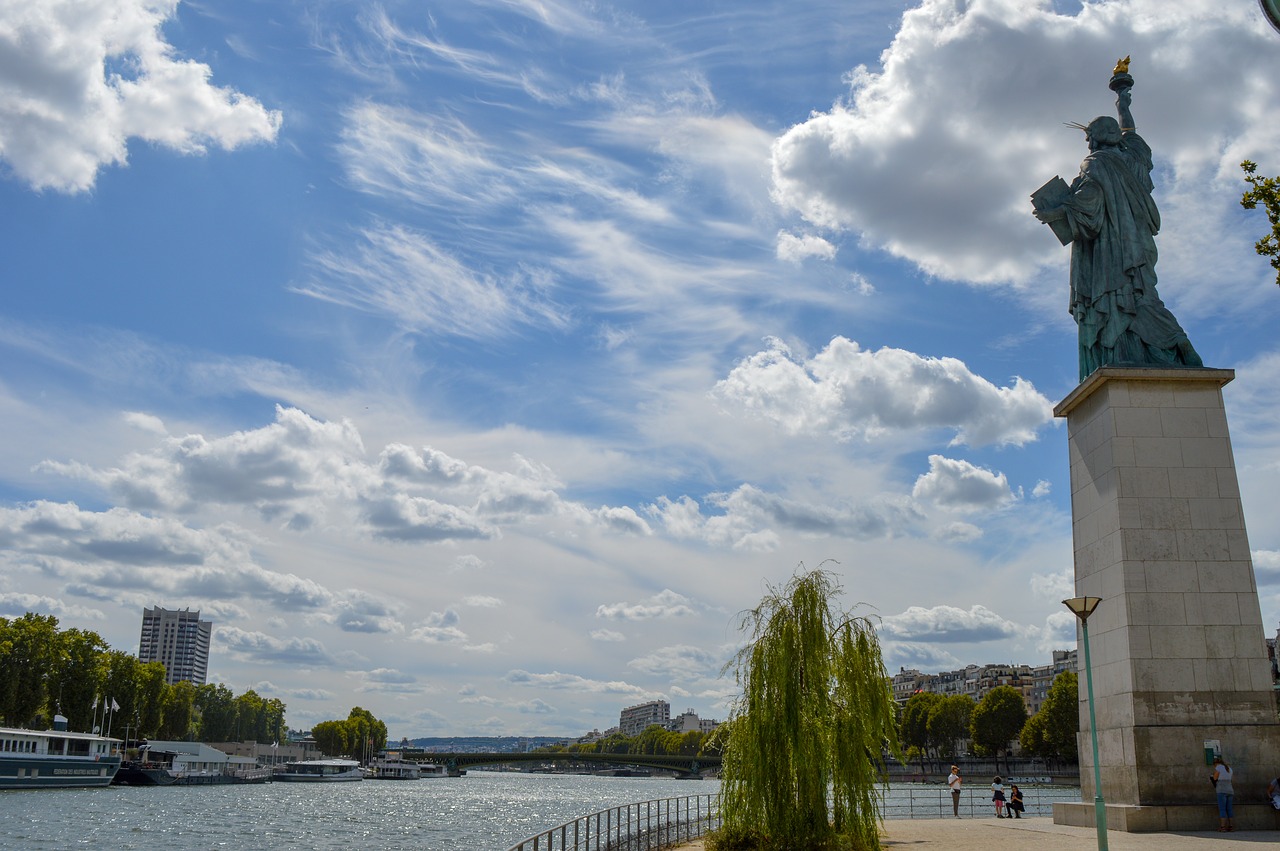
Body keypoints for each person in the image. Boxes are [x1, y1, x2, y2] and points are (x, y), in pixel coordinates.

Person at [1032, 66, 1203, 382]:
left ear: (1092, 139)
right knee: (1142, 297)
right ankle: (1176, 343)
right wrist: (1122, 103)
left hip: (1111, 253)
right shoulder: (1134, 160)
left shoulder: (1095, 164)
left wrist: (1053, 212)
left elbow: (1087, 205)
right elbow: (1132, 133)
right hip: (1136, 244)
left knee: (1118, 302)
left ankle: (1147, 348)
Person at [1211, 756, 1235, 832]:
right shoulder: (1229, 768)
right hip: (1230, 790)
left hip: (1221, 790)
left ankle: (1223, 827)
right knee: (1229, 809)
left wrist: (1213, 776)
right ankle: (1231, 826)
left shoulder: (1219, 768)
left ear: (1216, 764)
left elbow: (1215, 778)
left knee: (1222, 809)